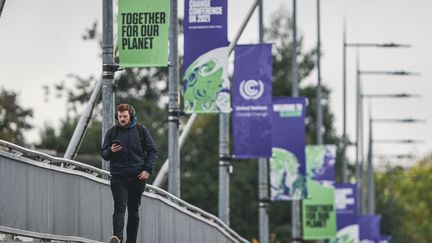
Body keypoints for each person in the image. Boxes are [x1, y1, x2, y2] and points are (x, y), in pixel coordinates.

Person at [101, 104, 158, 243]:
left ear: (131, 116)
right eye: (120, 116)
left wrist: (148, 169)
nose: (122, 119)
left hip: (138, 177)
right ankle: (117, 238)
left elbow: (153, 151)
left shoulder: (141, 131)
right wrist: (111, 151)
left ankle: (131, 241)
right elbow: (104, 153)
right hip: (119, 177)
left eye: (125, 116)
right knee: (119, 207)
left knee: (133, 210)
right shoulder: (112, 132)